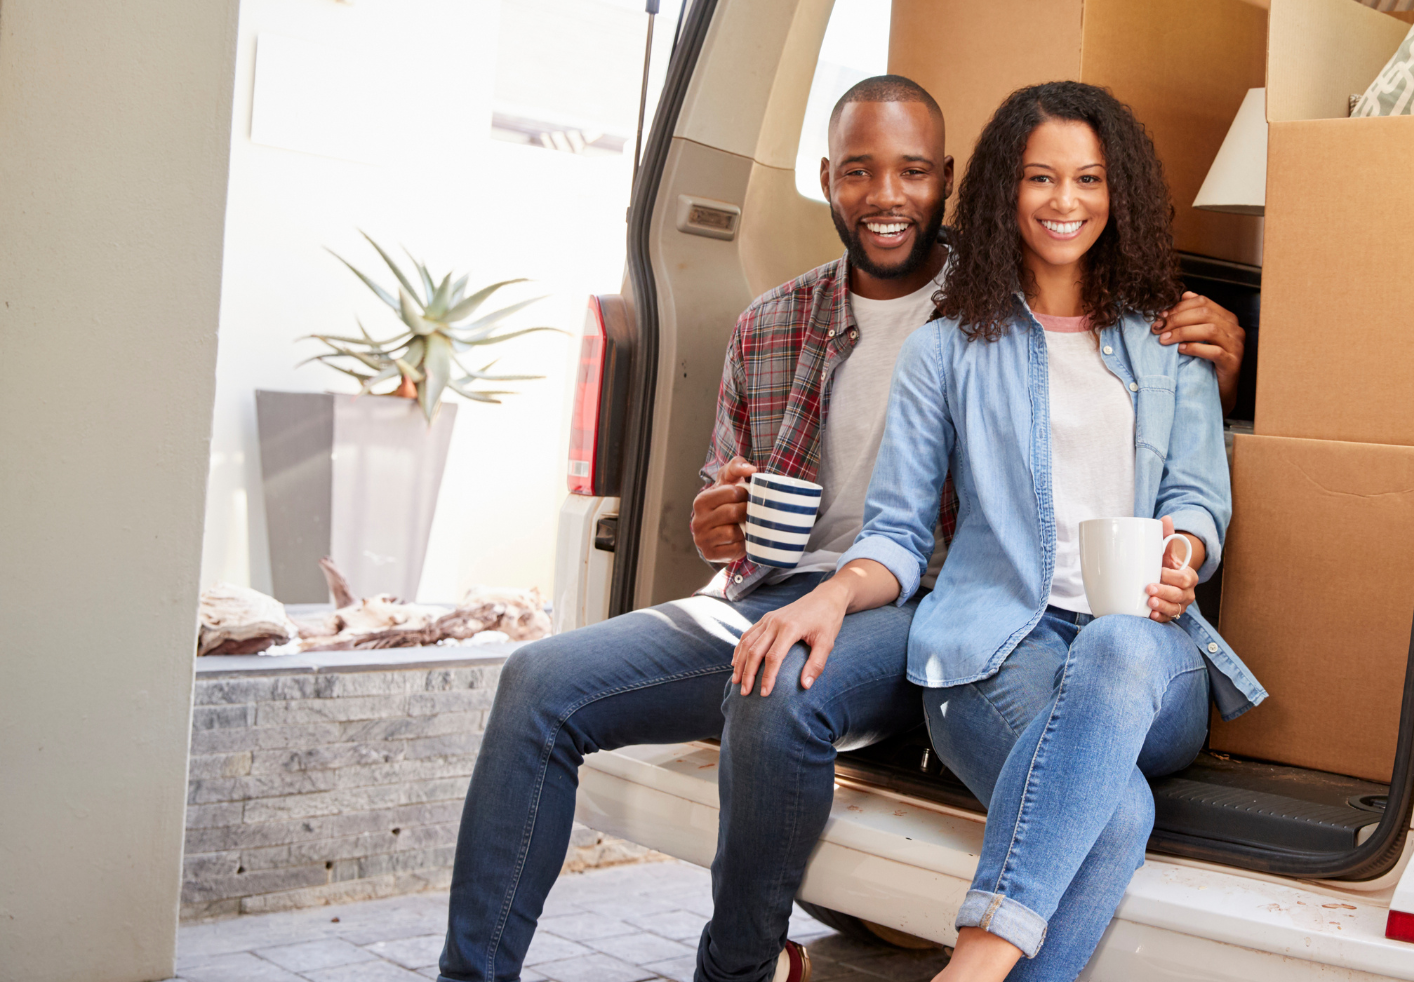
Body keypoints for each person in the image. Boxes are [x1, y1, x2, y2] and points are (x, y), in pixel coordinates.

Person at [437, 75, 1249, 982]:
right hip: (883, 605)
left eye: (910, 172)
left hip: (974, 610)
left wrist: (1195, 484)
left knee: (1088, 657)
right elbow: (819, 518)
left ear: (948, 182)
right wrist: (727, 529)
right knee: (537, 679)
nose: (887, 196)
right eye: (860, 172)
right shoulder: (830, 327)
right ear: (827, 179)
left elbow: (1191, 488)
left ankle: (771, 969)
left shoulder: (1116, 326)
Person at [731, 81, 1267, 982]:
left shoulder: (1169, 338)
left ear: (1119, 192)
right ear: (1000, 195)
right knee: (1117, 811)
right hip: (992, 653)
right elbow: (898, 534)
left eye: (1089, 179)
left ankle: (971, 963)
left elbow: (1198, 498)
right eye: (1040, 179)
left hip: (1147, 658)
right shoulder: (944, 349)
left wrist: (1185, 553)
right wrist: (829, 596)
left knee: (1117, 649)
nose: (1066, 203)